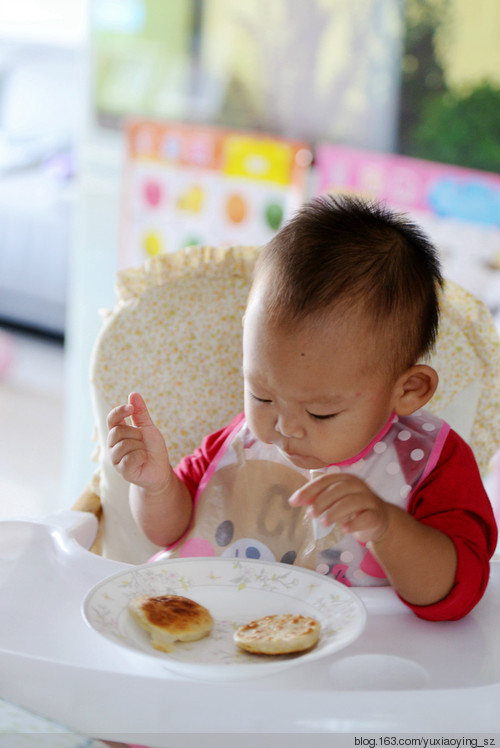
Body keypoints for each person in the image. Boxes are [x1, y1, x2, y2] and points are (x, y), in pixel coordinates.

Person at [106, 195, 497, 621]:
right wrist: (158, 485)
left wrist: (385, 526)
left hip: (356, 670)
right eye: (262, 396)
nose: (285, 426)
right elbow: (168, 532)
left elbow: (454, 594)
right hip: (216, 634)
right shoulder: (243, 442)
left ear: (408, 390)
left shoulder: (427, 462)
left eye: (321, 412)